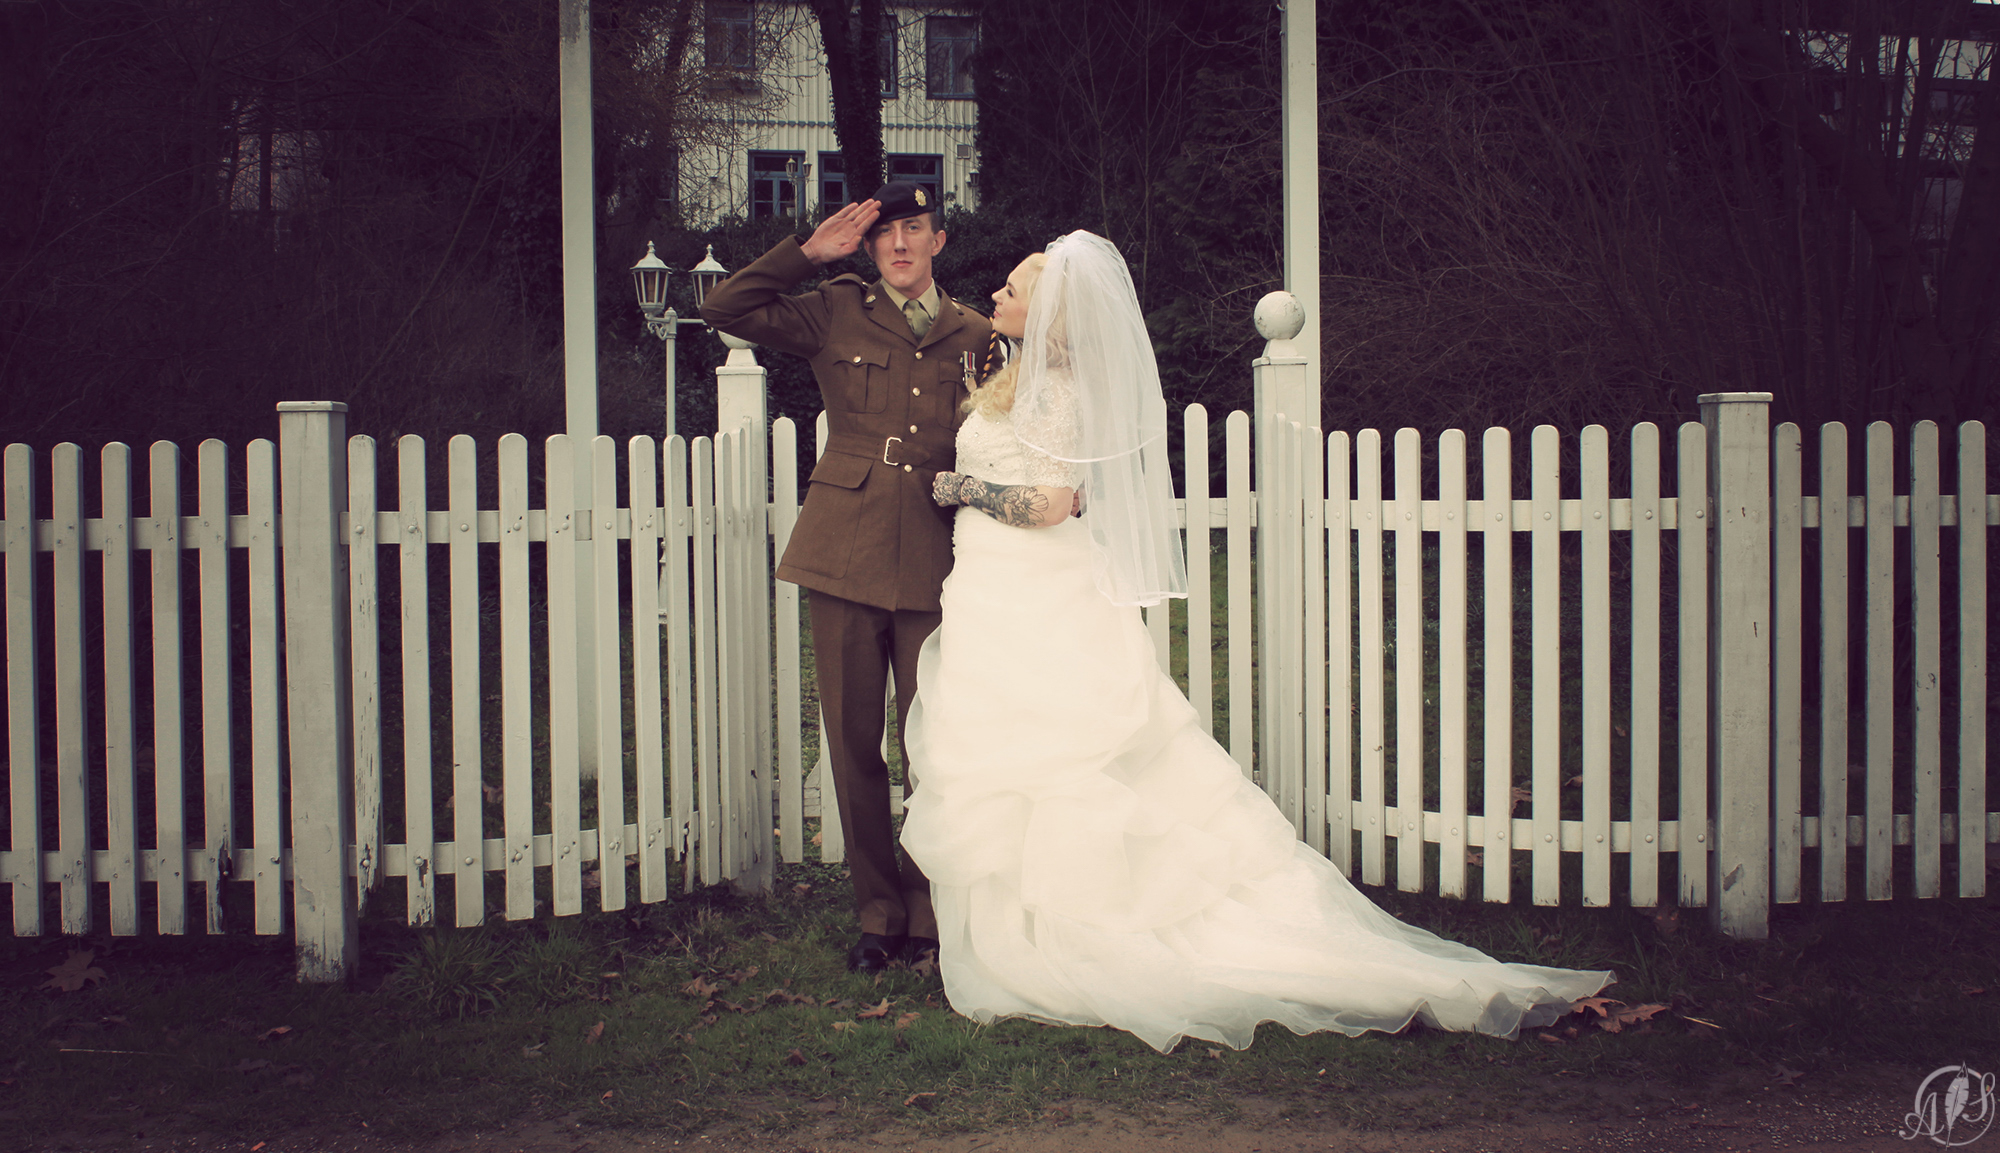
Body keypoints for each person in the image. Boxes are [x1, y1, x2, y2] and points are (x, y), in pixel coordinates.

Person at [901, 231, 1612, 1053]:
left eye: (1015, 289)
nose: (998, 296)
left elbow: (1054, 503)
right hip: (993, 585)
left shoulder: (1059, 388)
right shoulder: (1008, 377)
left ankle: (1071, 929)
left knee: (1056, 760)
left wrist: (962, 487)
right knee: (1009, 753)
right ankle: (1018, 922)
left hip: (1039, 588)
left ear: (1051, 314)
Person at [701, 182, 993, 973]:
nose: (898, 243)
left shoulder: (976, 334)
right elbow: (723, 308)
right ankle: (878, 913)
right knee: (853, 743)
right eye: (884, 233)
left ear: (938, 240)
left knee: (932, 745)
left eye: (914, 229)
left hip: (936, 559)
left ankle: (930, 910)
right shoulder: (835, 309)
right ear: (867, 247)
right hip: (844, 551)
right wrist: (806, 253)